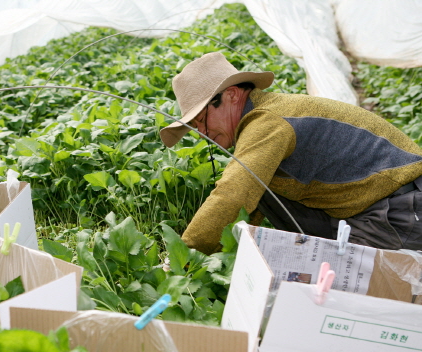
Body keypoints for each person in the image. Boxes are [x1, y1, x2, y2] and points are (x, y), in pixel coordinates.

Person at [160, 52, 422, 255]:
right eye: (195, 127)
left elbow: (233, 193)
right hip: (366, 207)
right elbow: (246, 200)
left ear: (231, 95)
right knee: (259, 188)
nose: (203, 133)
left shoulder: (267, 122)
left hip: (401, 210)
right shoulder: (263, 117)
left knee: (348, 292)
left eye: (202, 119)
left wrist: (184, 255)